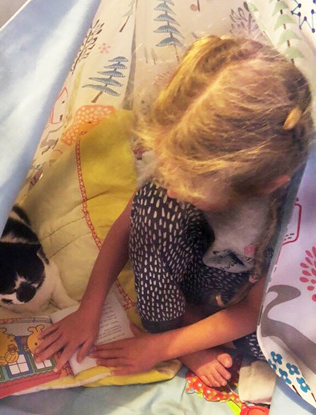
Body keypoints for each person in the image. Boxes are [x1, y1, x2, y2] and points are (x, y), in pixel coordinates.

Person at [34, 35, 314, 388]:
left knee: (280, 342)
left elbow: (253, 312)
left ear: (263, 186)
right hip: (199, 267)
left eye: (192, 188)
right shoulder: (190, 139)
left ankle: (187, 336)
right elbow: (129, 223)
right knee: (150, 205)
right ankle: (183, 328)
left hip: (245, 291)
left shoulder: (286, 212)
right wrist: (89, 309)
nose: (171, 189)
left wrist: (160, 347)